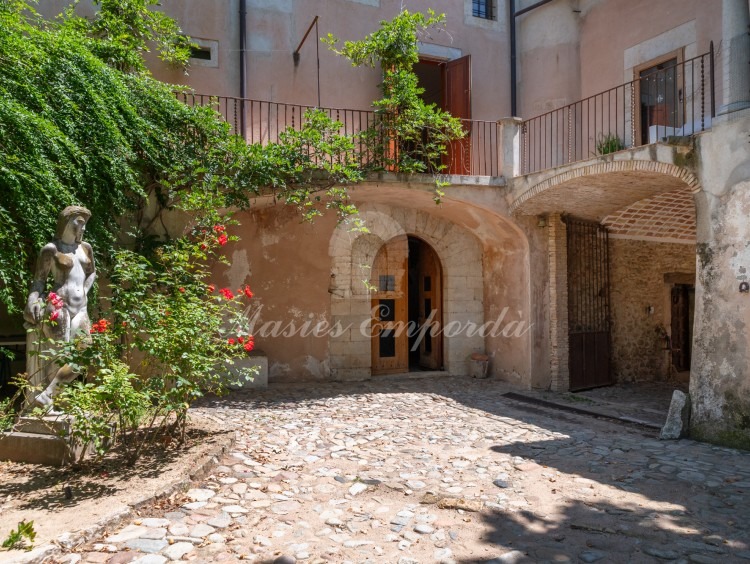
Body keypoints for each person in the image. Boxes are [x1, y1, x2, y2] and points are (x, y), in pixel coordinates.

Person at [23, 206, 96, 408]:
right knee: (57, 356)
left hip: (81, 309)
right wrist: (32, 301)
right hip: (58, 306)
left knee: (83, 354)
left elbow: (91, 273)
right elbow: (38, 281)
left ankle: (48, 396)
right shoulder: (51, 249)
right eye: (79, 222)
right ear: (66, 222)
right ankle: (49, 405)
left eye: (85, 223)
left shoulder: (85, 248)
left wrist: (84, 292)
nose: (83, 227)